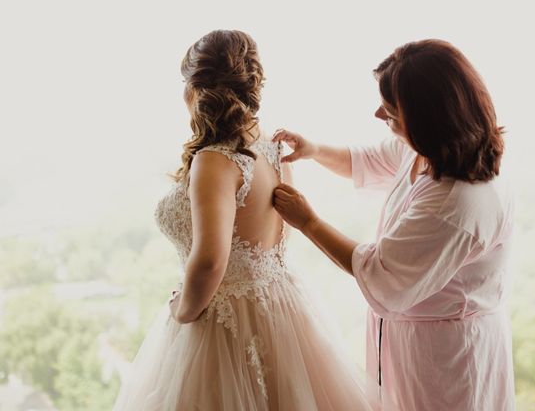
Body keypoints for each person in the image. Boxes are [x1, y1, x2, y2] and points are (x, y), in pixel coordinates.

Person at [113, 30, 376, 410]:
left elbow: (211, 261)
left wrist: (183, 311)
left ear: (196, 89)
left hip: (224, 324)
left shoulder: (215, 160)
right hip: (282, 310)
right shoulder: (271, 149)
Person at [273, 39, 515, 411]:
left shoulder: (456, 203)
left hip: (446, 360)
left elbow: (380, 273)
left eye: (389, 110)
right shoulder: (427, 151)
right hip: (409, 344)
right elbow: (367, 162)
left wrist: (308, 222)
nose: (377, 115)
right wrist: (314, 150)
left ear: (427, 118)